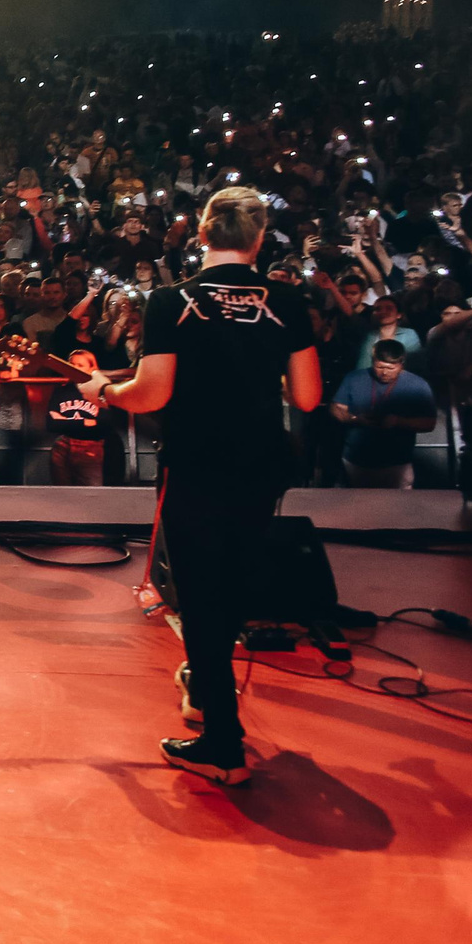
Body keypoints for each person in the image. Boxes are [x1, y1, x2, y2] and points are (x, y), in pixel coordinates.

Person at [77, 187, 320, 787]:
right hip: (263, 464)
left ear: (203, 235)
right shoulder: (288, 301)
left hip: (198, 462)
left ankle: (222, 743)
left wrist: (104, 390)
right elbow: (309, 396)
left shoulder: (170, 301)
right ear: (259, 239)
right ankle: (205, 691)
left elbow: (152, 393)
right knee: (232, 588)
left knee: (199, 595)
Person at [328, 340, 436, 489]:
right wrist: (354, 419)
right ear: (372, 361)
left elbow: (429, 423)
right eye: (379, 367)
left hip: (397, 464)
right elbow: (336, 407)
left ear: (401, 364)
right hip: (356, 461)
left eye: (391, 368)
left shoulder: (418, 385)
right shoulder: (354, 378)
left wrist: (398, 421)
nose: (384, 372)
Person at [46, 350, 108, 485]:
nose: (74, 368)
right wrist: (86, 422)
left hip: (91, 446)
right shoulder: (61, 390)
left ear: (92, 368)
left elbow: (103, 424)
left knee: (92, 494)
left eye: (80, 365)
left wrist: (64, 421)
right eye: (71, 364)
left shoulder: (100, 390)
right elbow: (51, 424)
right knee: (62, 495)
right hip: (63, 444)